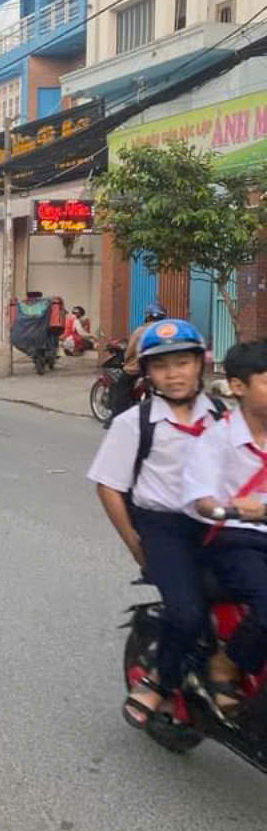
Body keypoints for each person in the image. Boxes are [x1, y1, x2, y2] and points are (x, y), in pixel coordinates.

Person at [87, 319, 226, 728]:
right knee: (187, 613)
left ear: (200, 365)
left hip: (217, 522)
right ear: (148, 373)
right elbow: (108, 488)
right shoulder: (135, 423)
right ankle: (160, 681)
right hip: (163, 527)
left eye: (182, 363)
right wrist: (135, 542)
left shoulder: (220, 414)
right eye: (162, 366)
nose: (174, 374)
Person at [183, 338, 267, 715]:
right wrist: (230, 507)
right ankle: (226, 663)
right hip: (235, 538)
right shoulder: (217, 438)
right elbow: (201, 497)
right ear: (238, 387)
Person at [108, 302, 168, 420]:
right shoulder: (166, 331)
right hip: (160, 368)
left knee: (121, 386)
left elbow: (130, 351)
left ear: (148, 316)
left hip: (138, 369)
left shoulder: (140, 331)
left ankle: (115, 418)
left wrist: (126, 361)